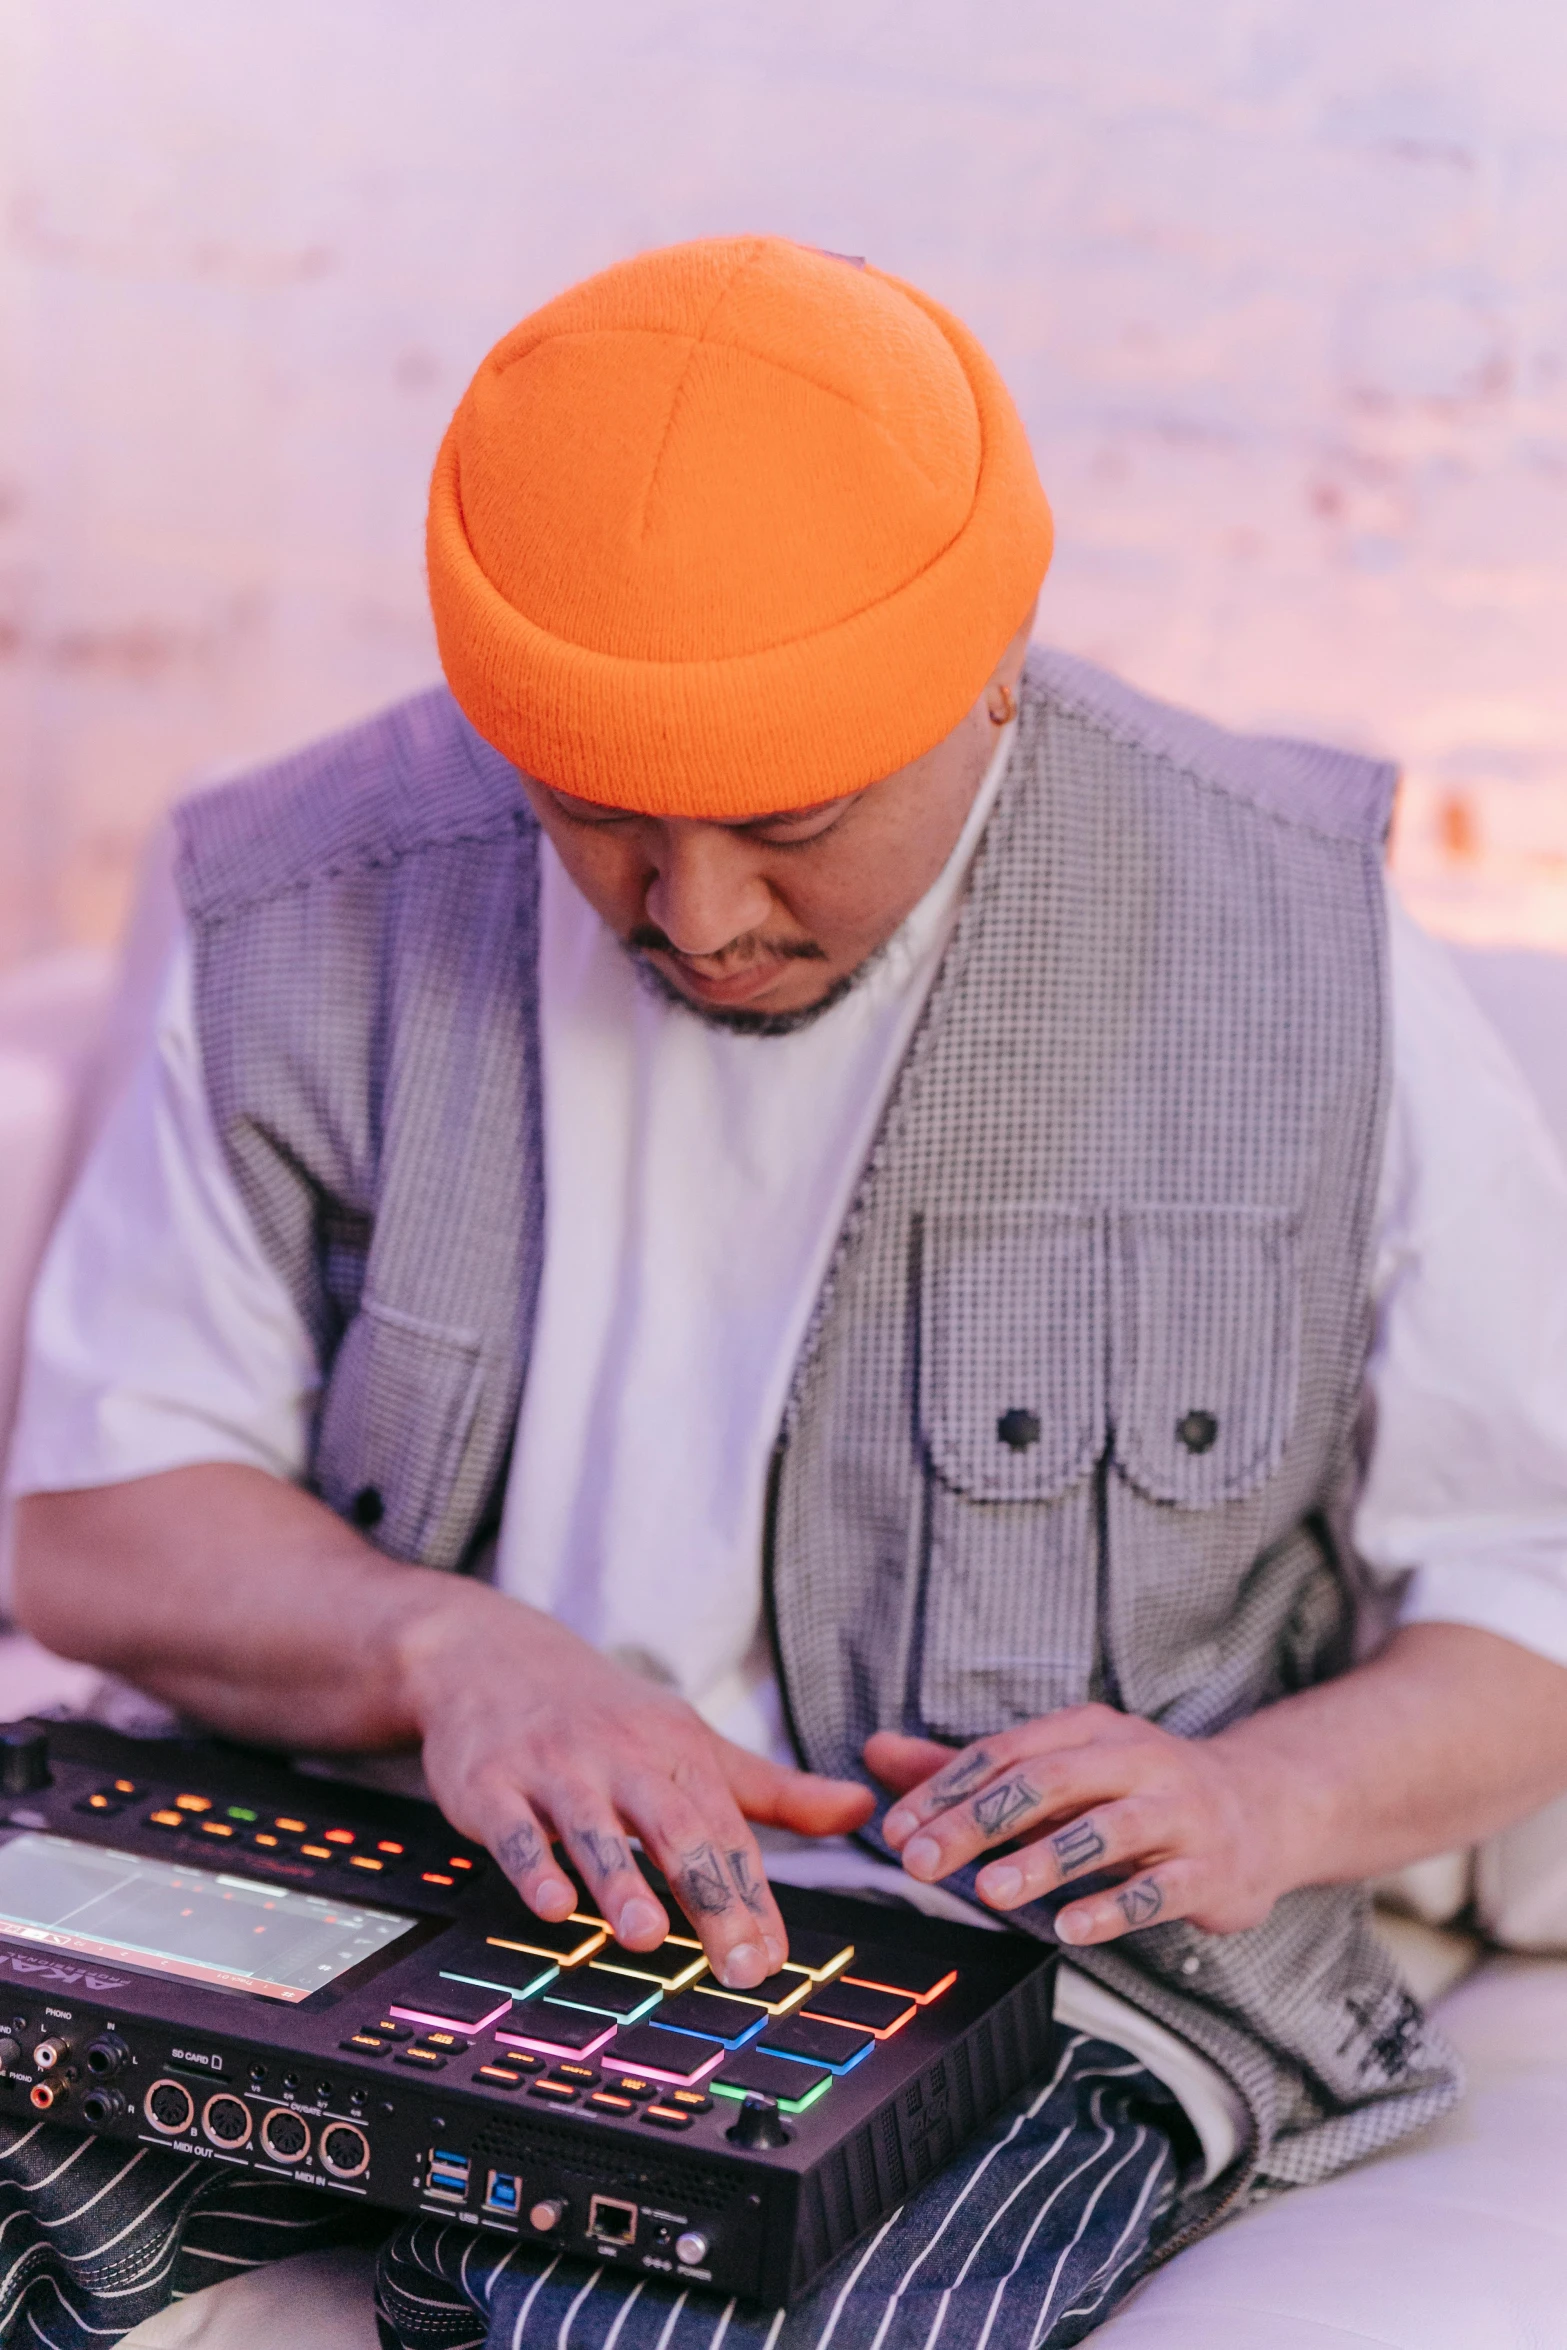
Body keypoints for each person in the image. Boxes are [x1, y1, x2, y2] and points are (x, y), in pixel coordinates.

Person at [8, 234, 1567, 2350]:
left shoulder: (1295, 933)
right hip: (374, 1874)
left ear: (991, 672)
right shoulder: (307, 890)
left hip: (1017, 1975)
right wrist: (452, 1650)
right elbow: (99, 1524)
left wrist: (1256, 1800)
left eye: (792, 822)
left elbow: (1534, 1586)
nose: (698, 915)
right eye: (591, 819)